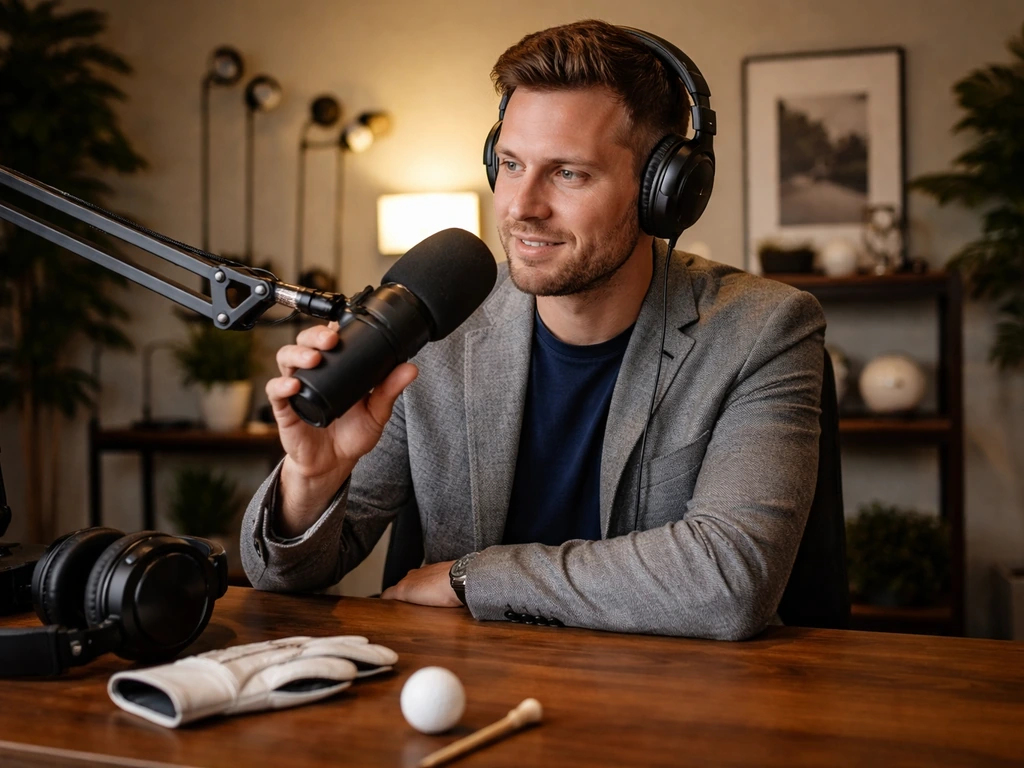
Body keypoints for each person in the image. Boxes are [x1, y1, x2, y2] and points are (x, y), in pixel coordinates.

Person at [241, 20, 825, 641]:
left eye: (569, 173)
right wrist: (312, 480)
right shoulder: (438, 319)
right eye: (512, 164)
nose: (522, 206)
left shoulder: (762, 329)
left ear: (663, 191)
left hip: (667, 691)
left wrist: (474, 578)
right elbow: (284, 575)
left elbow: (729, 582)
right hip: (465, 686)